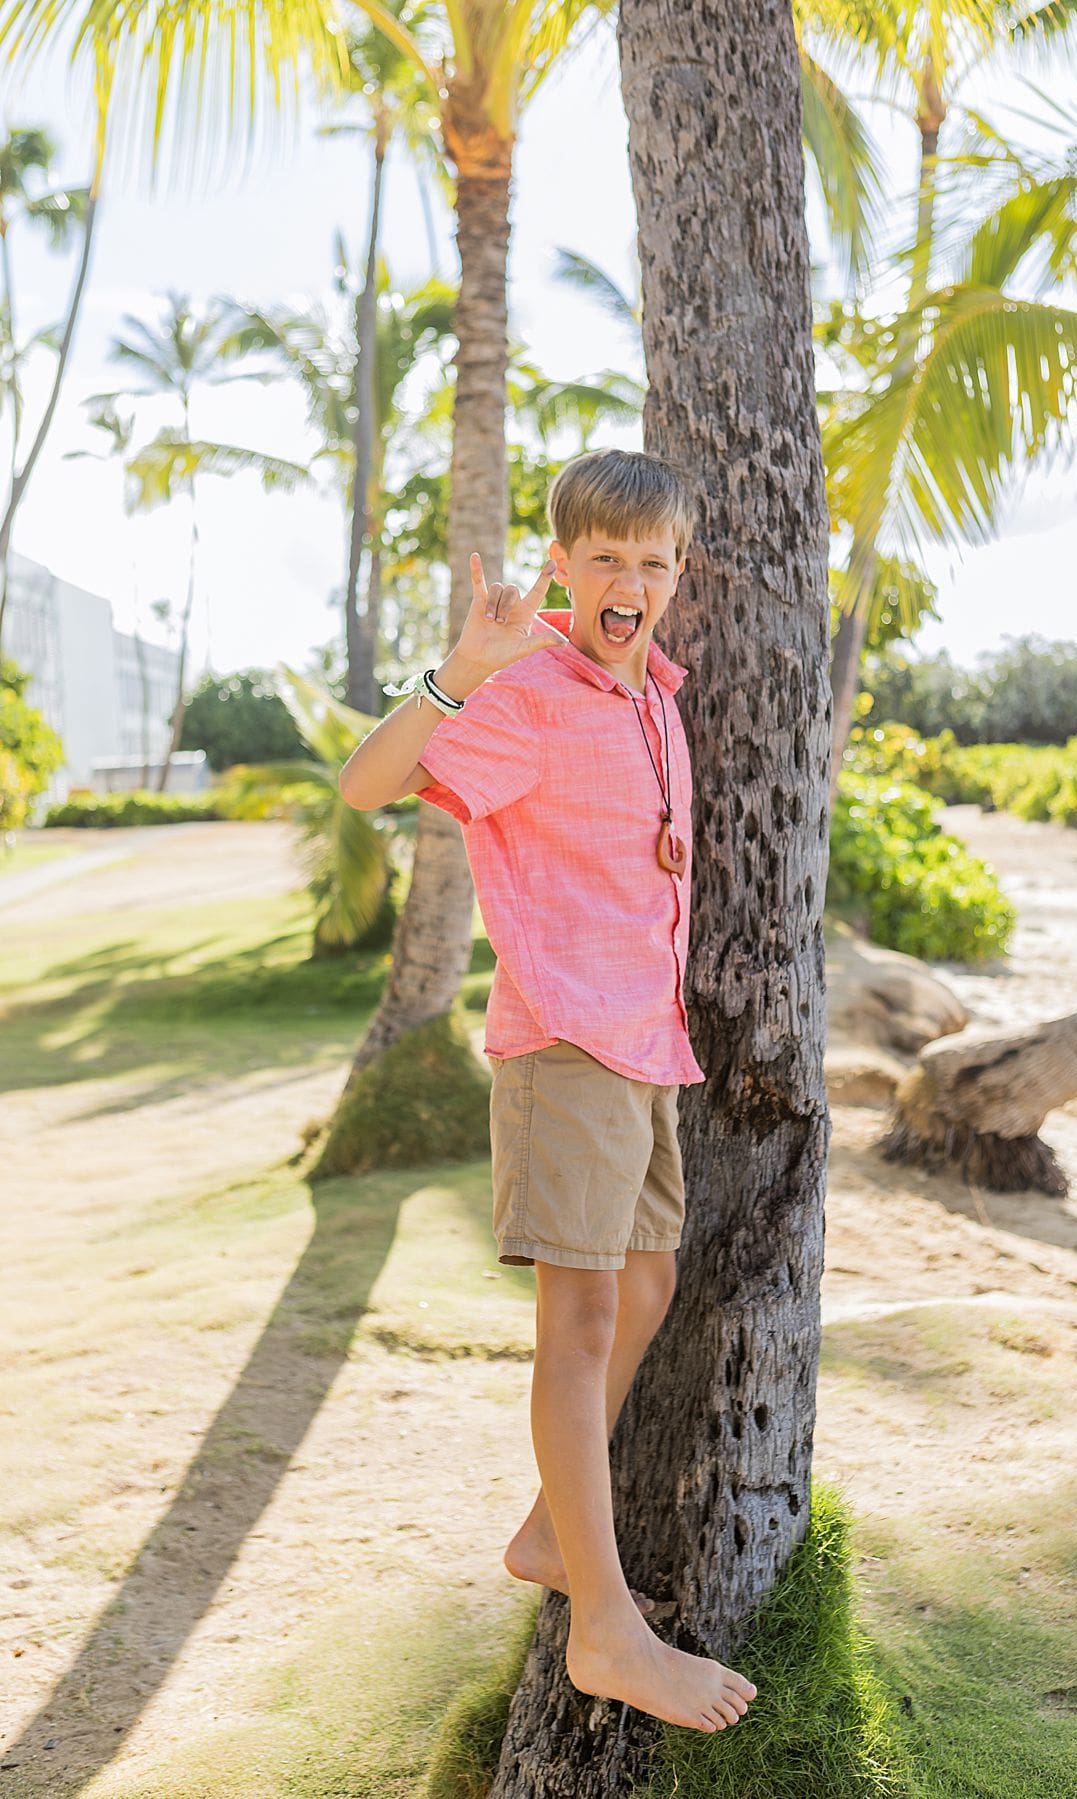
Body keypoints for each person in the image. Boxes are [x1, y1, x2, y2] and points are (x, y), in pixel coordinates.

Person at [340, 448, 757, 1733]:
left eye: (654, 562)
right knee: (577, 1325)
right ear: (563, 566)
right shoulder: (526, 696)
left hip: (647, 1044)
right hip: (562, 1044)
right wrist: (460, 669)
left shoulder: (657, 700)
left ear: (676, 575)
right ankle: (606, 1629)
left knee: (647, 1285)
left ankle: (543, 1527)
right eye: (606, 559)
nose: (629, 582)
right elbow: (366, 788)